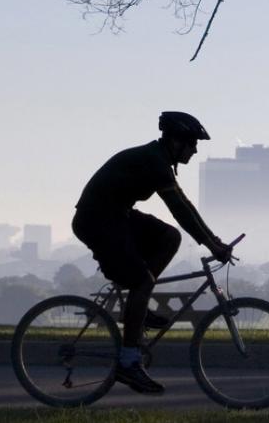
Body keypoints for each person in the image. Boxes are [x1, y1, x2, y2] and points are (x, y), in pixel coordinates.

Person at [72, 111, 232, 395]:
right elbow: (180, 209)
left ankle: (138, 305)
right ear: (175, 141)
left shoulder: (158, 159)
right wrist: (213, 244)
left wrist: (213, 241)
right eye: (192, 144)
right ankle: (128, 362)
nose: (195, 150)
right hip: (97, 221)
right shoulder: (155, 162)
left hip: (116, 216)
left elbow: (184, 206)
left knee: (169, 237)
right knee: (143, 281)